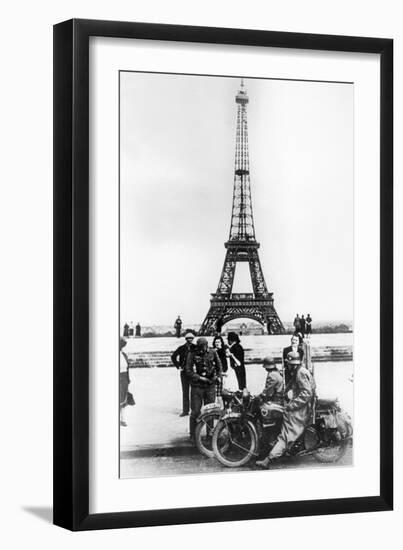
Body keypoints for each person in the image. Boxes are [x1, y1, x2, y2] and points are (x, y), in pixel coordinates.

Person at [256, 351, 315, 468]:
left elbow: (306, 393)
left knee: (285, 435)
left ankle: (268, 459)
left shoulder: (300, 373)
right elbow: (291, 385)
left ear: (293, 364)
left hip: (300, 410)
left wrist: (292, 406)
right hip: (302, 406)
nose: (287, 365)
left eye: (289, 363)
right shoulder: (299, 371)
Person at [185, 337, 222, 441]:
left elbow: (219, 367)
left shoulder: (213, 352)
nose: (202, 350)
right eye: (200, 348)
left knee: (210, 411)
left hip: (210, 386)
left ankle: (210, 434)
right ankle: (193, 434)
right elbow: (188, 370)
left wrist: (217, 377)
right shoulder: (192, 354)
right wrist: (200, 378)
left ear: (207, 345)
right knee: (195, 411)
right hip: (197, 386)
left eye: (204, 347)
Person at [171, 332, 196, 416]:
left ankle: (193, 410)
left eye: (191, 338)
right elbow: (173, 356)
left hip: (192, 372)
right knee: (185, 392)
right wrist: (178, 366)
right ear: (186, 339)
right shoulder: (181, 348)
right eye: (188, 338)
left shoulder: (196, 348)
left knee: (193, 392)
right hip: (184, 372)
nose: (190, 340)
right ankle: (185, 410)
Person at [120, 337, 134, 426]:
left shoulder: (124, 355)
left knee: (123, 399)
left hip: (124, 378)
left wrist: (128, 379)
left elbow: (127, 368)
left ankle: (123, 418)